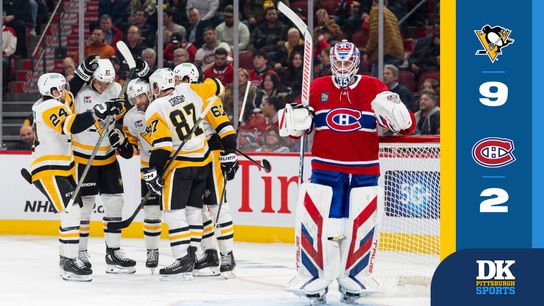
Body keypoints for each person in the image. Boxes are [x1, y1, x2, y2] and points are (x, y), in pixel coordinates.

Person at [278, 40, 415, 304]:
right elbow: (294, 131)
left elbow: (405, 125)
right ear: (331, 62)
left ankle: (356, 278)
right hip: (325, 170)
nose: (342, 68)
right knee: (321, 226)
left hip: (364, 171)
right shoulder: (316, 87)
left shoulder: (374, 86)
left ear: (355, 61)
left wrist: (397, 115)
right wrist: (297, 118)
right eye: (337, 63)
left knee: (360, 226)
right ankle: (314, 278)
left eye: (346, 62)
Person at [29, 72, 121, 281]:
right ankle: (69, 262)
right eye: (61, 87)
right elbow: (72, 125)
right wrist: (99, 112)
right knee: (71, 211)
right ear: (52, 91)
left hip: (61, 168)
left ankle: (66, 259)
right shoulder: (51, 106)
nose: (65, 91)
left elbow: (74, 114)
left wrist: (103, 109)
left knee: (73, 210)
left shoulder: (47, 105)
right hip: (50, 169)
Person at [72, 58, 141, 274]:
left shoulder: (116, 89)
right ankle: (79, 252)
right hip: (84, 157)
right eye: (100, 82)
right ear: (92, 78)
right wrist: (79, 75)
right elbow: (67, 98)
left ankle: (113, 251)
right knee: (85, 206)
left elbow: (123, 111)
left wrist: (117, 131)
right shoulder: (79, 92)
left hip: (108, 156)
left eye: (107, 83)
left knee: (115, 202)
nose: (104, 87)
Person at [142, 68, 211, 278]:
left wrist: (154, 168)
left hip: (181, 166)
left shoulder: (155, 106)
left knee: (173, 212)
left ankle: (182, 259)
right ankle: (193, 255)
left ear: (156, 87)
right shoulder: (189, 90)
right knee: (193, 211)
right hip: (203, 162)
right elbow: (217, 87)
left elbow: (162, 146)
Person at [174, 63, 239, 278]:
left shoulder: (208, 98)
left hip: (211, 155)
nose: (180, 85)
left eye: (183, 80)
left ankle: (227, 254)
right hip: (193, 159)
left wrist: (229, 151)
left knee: (218, 205)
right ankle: (210, 253)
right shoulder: (177, 101)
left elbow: (225, 128)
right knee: (198, 208)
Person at [116, 78, 162, 272]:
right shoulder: (131, 117)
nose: (138, 102)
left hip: (174, 165)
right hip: (148, 169)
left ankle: (193, 251)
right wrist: (122, 144)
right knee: (151, 211)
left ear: (150, 93)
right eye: (134, 99)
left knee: (182, 210)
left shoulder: (162, 107)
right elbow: (132, 148)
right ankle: (152, 251)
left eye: (141, 96)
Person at [363, 0, 404, 76]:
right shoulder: (391, 13)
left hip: (385, 52)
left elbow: (375, 33)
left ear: (373, 2)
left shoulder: (376, 10)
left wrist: (367, 51)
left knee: (378, 84)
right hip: (396, 51)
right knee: (390, 82)